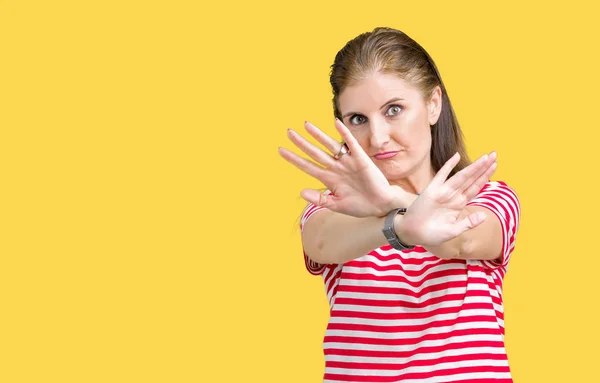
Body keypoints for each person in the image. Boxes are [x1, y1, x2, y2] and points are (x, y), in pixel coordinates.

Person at [278, 27, 520, 383]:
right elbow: (321, 243)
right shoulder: (332, 208)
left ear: (433, 104)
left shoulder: (489, 197)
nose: (377, 138)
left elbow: (464, 238)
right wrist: (403, 226)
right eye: (357, 119)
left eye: (393, 110)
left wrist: (393, 202)